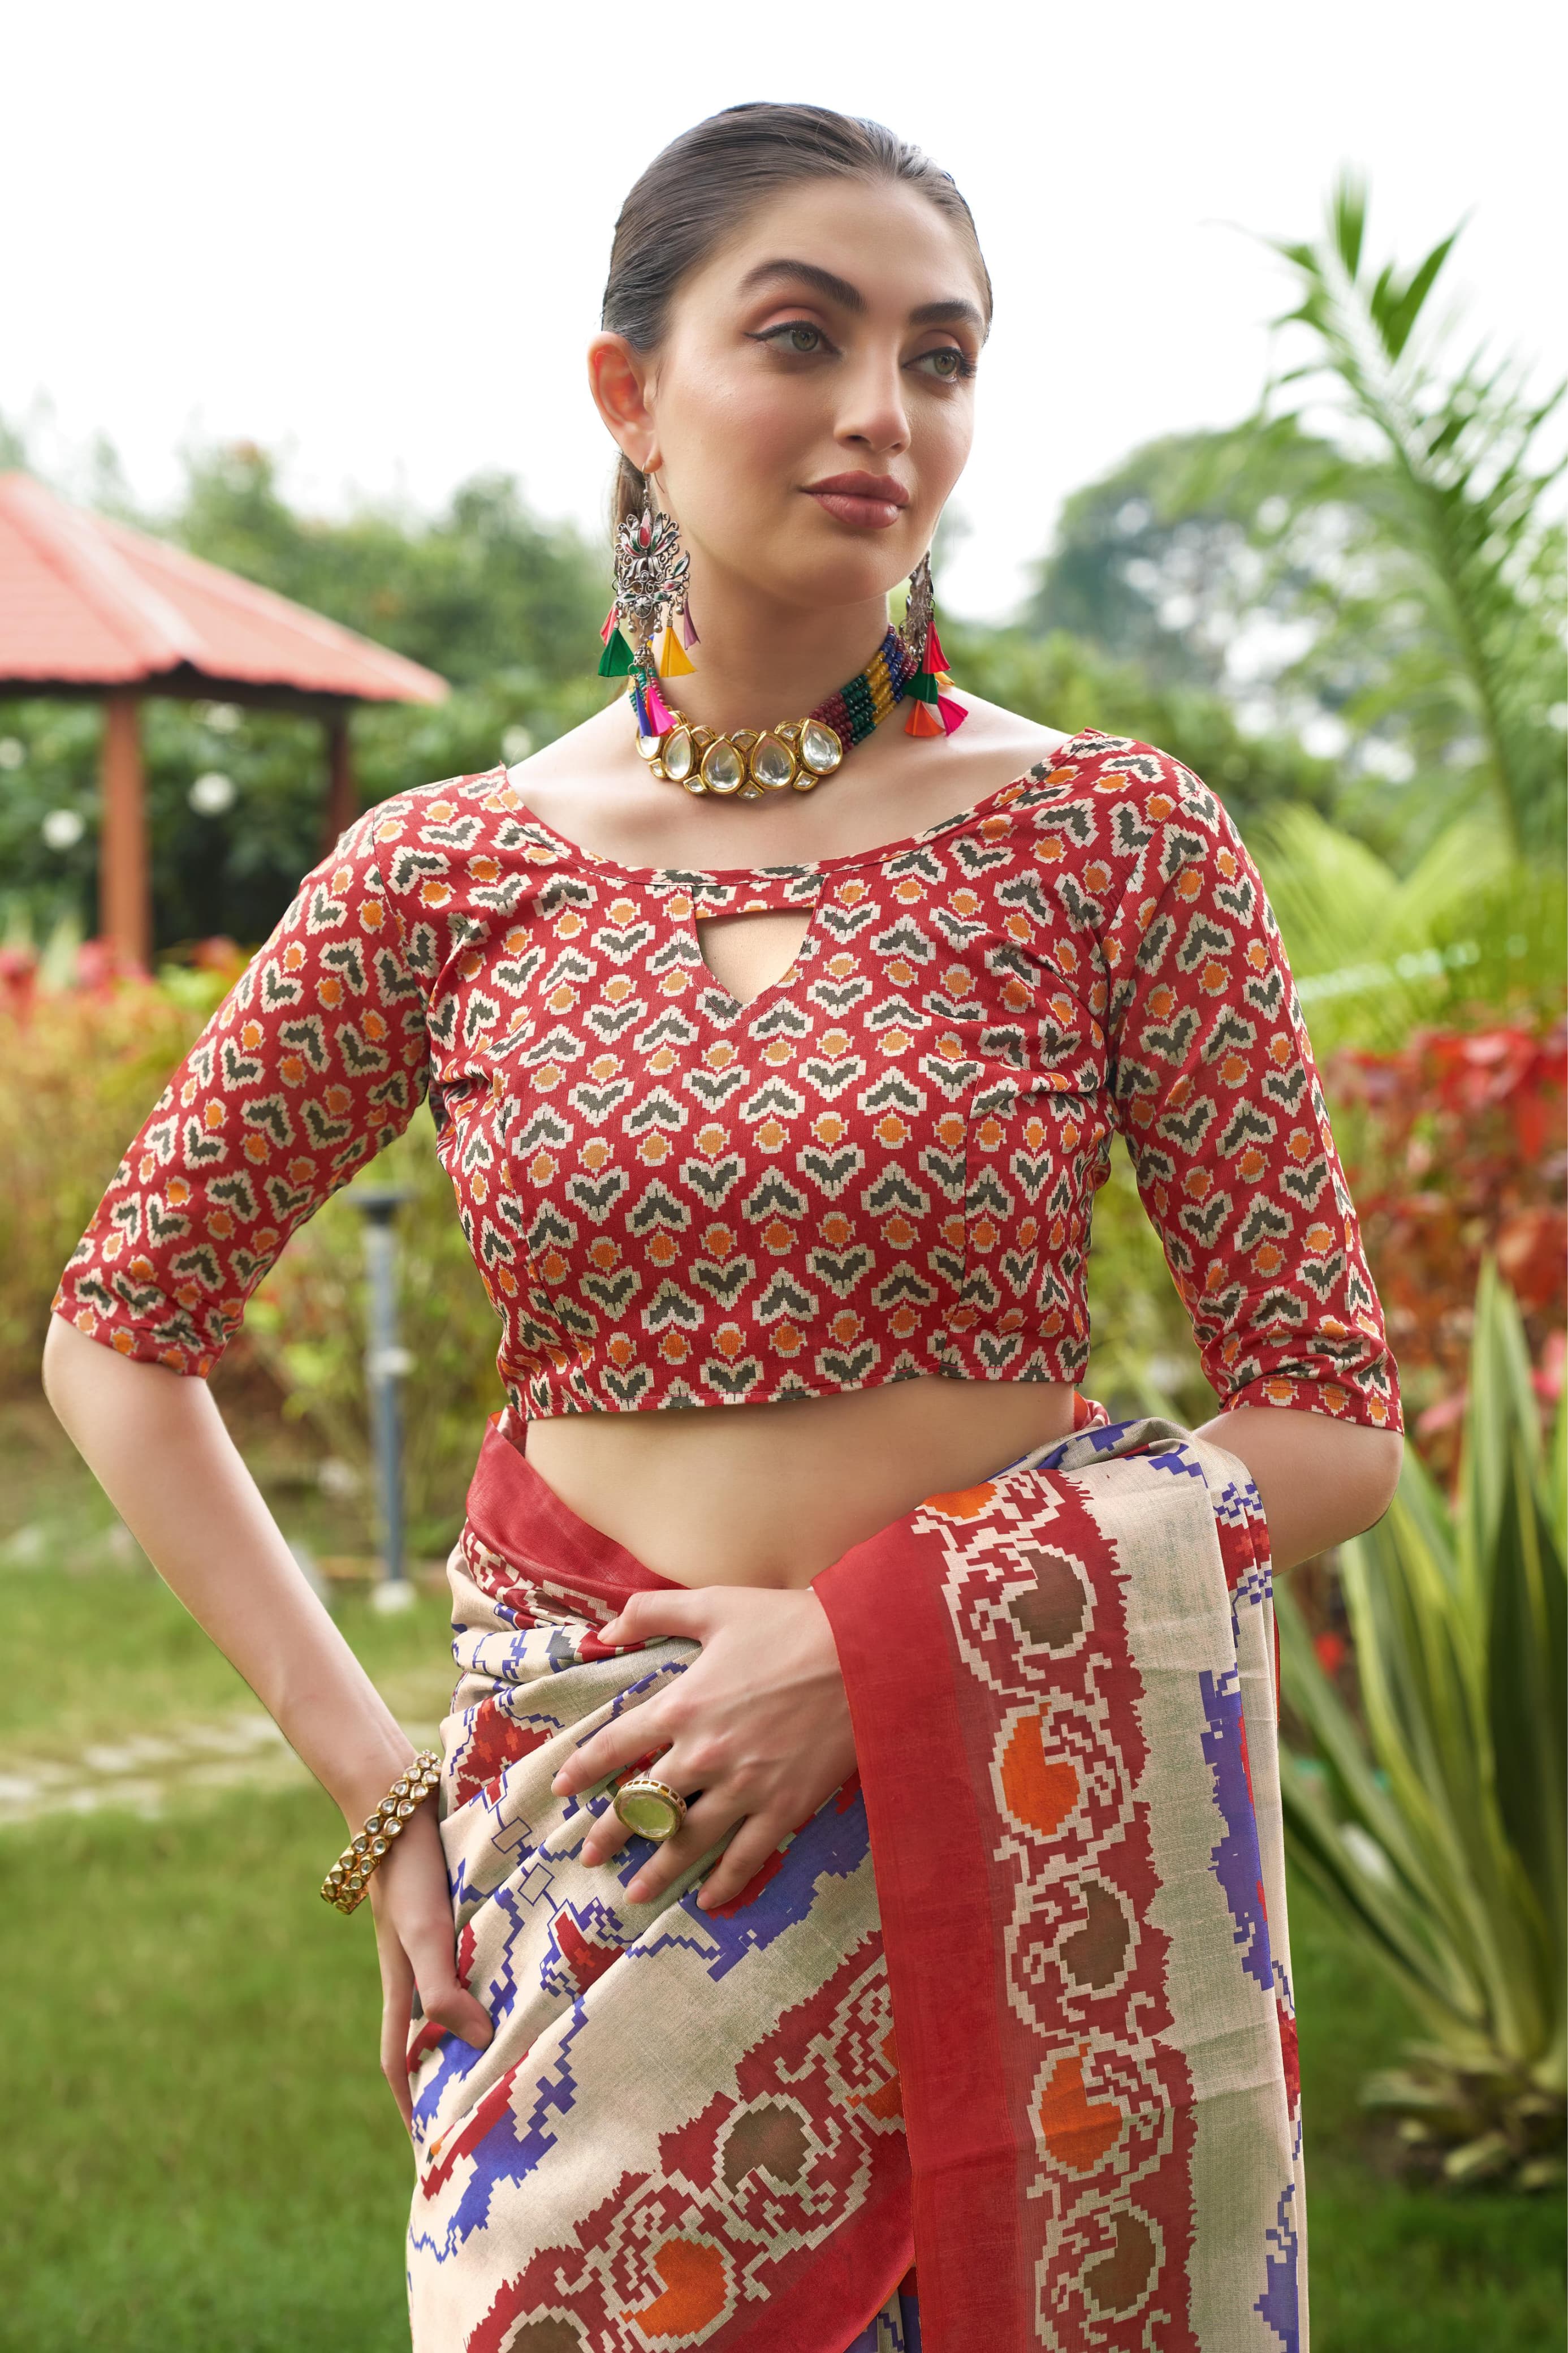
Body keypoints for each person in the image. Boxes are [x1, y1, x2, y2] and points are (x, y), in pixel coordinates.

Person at [46, 103, 1401, 2353]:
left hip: (1012, 1809)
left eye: (941, 356)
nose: (884, 410)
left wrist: (866, 1644)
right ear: (628, 397)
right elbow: (126, 1324)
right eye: (806, 336)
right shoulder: (442, 868)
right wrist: (375, 1782)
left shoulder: (1112, 838)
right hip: (598, 1859)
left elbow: (1330, 1423)